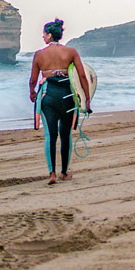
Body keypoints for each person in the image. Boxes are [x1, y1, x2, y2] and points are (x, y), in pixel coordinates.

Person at [29, 19, 92, 184]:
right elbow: (83, 76)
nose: (43, 37)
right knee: (66, 134)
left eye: (44, 34)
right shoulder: (71, 52)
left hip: (48, 96)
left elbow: (33, 80)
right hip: (67, 96)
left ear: (50, 35)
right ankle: (64, 173)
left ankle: (52, 174)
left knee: (50, 135)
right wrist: (87, 99)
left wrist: (32, 93)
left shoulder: (39, 54)